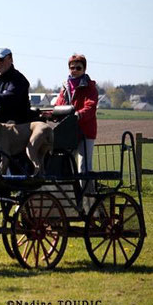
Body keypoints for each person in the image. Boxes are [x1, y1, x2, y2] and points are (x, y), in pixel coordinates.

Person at [54, 53, 98, 209]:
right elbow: (59, 105)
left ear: (84, 69)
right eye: (72, 68)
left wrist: (78, 115)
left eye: (78, 68)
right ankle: (70, 203)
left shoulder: (89, 86)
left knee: (83, 169)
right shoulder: (65, 86)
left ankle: (89, 205)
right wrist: (52, 114)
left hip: (85, 132)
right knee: (66, 167)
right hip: (68, 133)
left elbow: (90, 107)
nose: (74, 70)